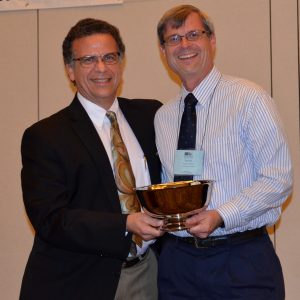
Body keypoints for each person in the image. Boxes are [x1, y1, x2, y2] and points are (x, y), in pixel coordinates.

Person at [154, 4, 293, 300]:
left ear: (212, 40)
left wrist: (221, 215)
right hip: (178, 264)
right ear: (163, 51)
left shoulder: (249, 99)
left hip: (241, 260)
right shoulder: (163, 117)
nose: (185, 45)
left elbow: (278, 179)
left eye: (194, 34)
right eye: (174, 39)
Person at [20, 18, 164, 300]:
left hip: (147, 275)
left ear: (121, 63)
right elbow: (50, 219)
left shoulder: (151, 117)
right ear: (70, 70)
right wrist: (125, 224)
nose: (101, 68)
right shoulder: (45, 136)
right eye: (88, 60)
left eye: (109, 57)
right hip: (79, 281)